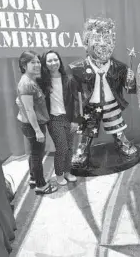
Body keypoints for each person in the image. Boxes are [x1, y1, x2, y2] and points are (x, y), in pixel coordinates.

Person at [69, 17, 139, 169]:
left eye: (107, 39)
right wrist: (74, 117)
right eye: (97, 39)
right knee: (87, 131)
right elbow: (74, 97)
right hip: (90, 107)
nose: (103, 44)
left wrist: (130, 81)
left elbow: (129, 89)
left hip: (111, 104)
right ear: (86, 43)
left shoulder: (119, 67)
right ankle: (82, 150)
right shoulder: (77, 69)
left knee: (117, 127)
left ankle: (122, 143)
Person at [16, 51, 58, 195]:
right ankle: (41, 185)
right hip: (33, 124)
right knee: (37, 155)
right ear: (24, 65)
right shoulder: (26, 83)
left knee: (34, 153)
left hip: (31, 123)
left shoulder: (31, 80)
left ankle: (34, 179)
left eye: (38, 62)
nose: (37, 65)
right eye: (32, 62)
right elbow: (29, 110)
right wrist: (37, 130)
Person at [39, 50, 78, 185]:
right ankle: (59, 174)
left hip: (68, 118)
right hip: (54, 119)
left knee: (69, 148)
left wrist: (75, 120)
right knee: (61, 148)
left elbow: (75, 101)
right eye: (49, 61)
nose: (53, 63)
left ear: (59, 60)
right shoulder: (42, 81)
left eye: (55, 59)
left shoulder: (69, 79)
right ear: (45, 63)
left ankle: (67, 172)